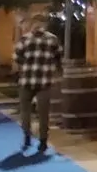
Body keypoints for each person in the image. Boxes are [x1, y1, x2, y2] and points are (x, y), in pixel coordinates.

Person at [12, 14, 62, 155]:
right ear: (45, 25)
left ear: (32, 24)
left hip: (26, 80)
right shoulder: (52, 39)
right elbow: (58, 57)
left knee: (25, 111)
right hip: (45, 81)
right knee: (43, 113)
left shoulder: (25, 39)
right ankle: (43, 141)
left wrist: (27, 65)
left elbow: (17, 58)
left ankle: (27, 137)